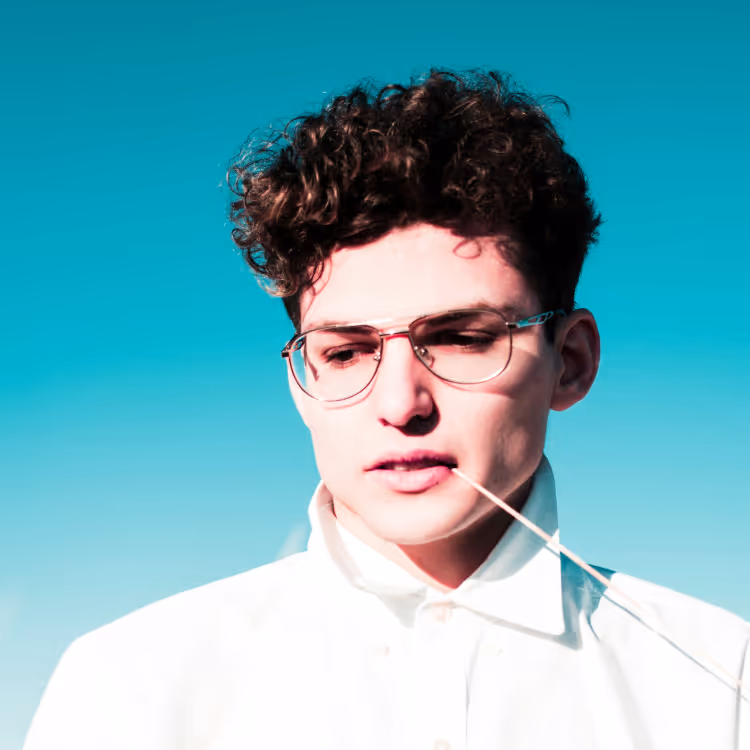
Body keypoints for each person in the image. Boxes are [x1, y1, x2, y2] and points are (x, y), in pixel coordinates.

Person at [24, 70, 749, 750]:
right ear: (302, 385)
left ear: (572, 362)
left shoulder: (722, 682)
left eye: (463, 338)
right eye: (346, 352)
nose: (401, 405)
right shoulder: (126, 688)